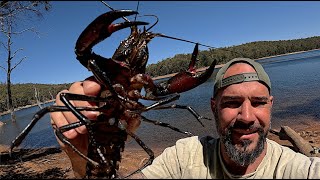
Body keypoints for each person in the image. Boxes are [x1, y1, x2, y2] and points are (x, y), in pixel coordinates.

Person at [50, 58, 320, 179]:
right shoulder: (184, 157)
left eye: (258, 103)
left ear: (271, 106)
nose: (246, 116)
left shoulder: (301, 170)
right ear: (213, 107)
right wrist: (83, 159)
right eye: (232, 103)